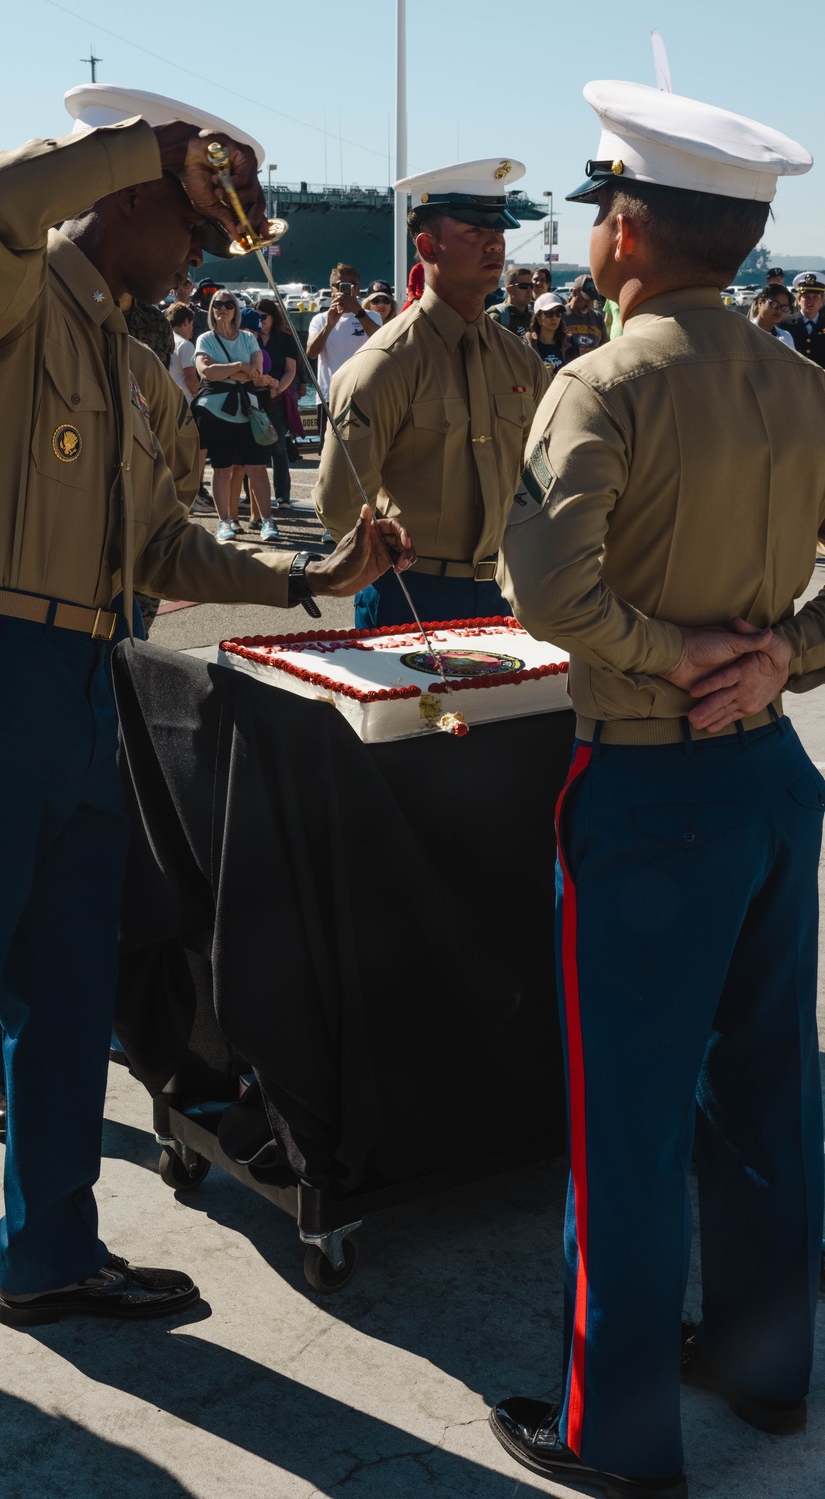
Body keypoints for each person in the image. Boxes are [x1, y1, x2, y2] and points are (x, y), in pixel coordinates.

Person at [0, 82, 413, 1428]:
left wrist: (312, 570)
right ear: (136, 195)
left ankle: (49, 1254)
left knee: (70, 989)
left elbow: (165, 546)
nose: (209, 252)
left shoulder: (136, 367)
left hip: (83, 677)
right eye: (196, 219)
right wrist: (154, 143)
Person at [490, 79, 821, 1499]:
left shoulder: (603, 381)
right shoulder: (802, 381)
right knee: (765, 1092)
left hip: (645, 788)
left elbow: (548, 584)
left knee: (622, 1118)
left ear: (626, 228)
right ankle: (763, 1362)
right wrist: (783, 657)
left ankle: (612, 1428)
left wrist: (667, 650)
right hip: (769, 784)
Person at [315, 157, 549, 628]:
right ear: (428, 245)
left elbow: (545, 475)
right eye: (473, 231)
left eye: (499, 232)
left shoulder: (520, 361)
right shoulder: (385, 365)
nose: (494, 243)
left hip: (508, 591)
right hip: (411, 594)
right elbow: (339, 503)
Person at [193, 289, 279, 542]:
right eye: (218, 304)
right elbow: (205, 373)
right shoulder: (205, 339)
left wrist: (229, 371)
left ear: (236, 310)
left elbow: (257, 373)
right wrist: (241, 367)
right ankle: (225, 522)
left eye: (229, 304)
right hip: (215, 411)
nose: (223, 308)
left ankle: (267, 520)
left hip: (246, 410)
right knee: (221, 469)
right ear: (211, 309)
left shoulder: (248, 339)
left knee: (257, 468)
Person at [306, 264, 381, 443]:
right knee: (329, 451)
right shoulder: (320, 319)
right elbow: (311, 353)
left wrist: (358, 312)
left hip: (363, 394)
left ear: (358, 288)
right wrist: (330, 324)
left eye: (351, 284)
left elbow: (380, 341)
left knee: (362, 449)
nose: (346, 290)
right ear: (332, 290)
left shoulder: (372, 316)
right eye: (340, 286)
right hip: (329, 396)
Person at [255, 297, 298, 509]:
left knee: (278, 447)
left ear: (273, 317)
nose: (260, 321)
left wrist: (277, 389)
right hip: (253, 398)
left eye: (263, 317)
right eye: (256, 317)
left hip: (277, 399)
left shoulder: (285, 339)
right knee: (253, 448)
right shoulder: (248, 339)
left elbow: (291, 369)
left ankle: (283, 496)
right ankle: (251, 497)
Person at [524, 291, 573, 376]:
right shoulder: (528, 345)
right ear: (538, 317)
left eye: (558, 313)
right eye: (549, 313)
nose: (554, 317)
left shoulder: (570, 344)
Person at [783, 270, 825, 366]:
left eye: (815, 297)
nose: (811, 301)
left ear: (822, 300)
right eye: (806, 296)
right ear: (798, 299)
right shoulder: (785, 323)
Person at [563, 271, 608, 355]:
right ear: (575, 293)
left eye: (591, 300)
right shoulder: (561, 316)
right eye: (586, 299)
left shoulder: (597, 317)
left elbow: (605, 346)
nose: (589, 304)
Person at [486, 265, 536, 336]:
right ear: (509, 290)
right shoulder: (498, 317)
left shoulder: (533, 319)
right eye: (523, 286)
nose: (529, 290)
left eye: (531, 286)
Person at [167, 300, 199, 398]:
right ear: (186, 321)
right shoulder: (186, 345)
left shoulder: (162, 340)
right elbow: (191, 381)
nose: (192, 329)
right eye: (191, 324)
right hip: (182, 401)